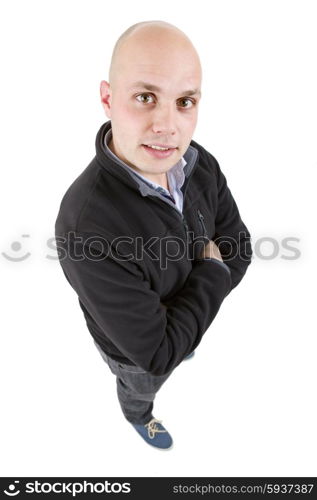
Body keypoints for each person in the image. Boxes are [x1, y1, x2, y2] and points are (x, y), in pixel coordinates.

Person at [55, 20, 252, 450]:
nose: (168, 125)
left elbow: (240, 250)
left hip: (174, 320)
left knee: (179, 340)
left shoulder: (200, 163)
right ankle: (138, 416)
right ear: (108, 99)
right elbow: (157, 353)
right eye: (145, 97)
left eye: (185, 101)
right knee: (143, 382)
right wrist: (211, 276)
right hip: (135, 355)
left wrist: (182, 324)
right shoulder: (84, 228)